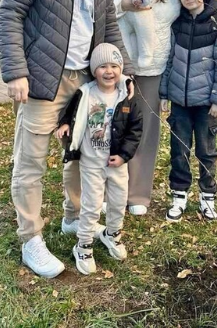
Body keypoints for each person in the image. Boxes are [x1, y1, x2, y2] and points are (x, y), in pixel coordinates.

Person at [0, 0, 134, 279]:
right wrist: (15, 72)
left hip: (85, 84)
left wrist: (122, 73)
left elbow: (108, 28)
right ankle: (31, 239)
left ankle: (73, 216)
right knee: (31, 161)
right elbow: (10, 13)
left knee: (80, 154)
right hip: (43, 79)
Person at [115, 0, 217, 216]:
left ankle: (138, 195)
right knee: (115, 128)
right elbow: (101, 7)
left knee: (147, 133)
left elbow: (207, 5)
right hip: (120, 64)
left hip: (156, 68)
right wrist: (124, 2)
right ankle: (113, 189)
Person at [56, 43, 142, 275]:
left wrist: (124, 156)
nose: (109, 71)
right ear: (94, 70)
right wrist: (64, 124)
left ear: (121, 70)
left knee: (117, 201)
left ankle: (112, 234)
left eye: (114, 66)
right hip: (91, 162)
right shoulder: (85, 93)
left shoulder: (126, 96)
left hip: (117, 164)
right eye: (102, 66)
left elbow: (135, 130)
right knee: (92, 205)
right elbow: (70, 112)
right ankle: (83, 245)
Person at [159, 0, 217, 221]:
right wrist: (164, 93)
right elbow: (170, 59)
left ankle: (207, 198)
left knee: (206, 151)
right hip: (180, 101)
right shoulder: (177, 23)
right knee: (178, 150)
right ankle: (179, 196)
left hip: (206, 104)